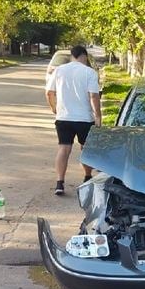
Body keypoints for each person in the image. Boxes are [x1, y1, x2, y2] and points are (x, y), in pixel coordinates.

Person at [45, 45, 101, 195]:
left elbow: (49, 92)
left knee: (64, 149)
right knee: (85, 148)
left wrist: (54, 108)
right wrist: (98, 116)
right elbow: (94, 96)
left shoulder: (59, 71)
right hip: (84, 118)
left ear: (72, 56)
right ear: (84, 56)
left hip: (64, 118)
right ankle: (87, 177)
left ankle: (59, 183)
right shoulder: (90, 72)